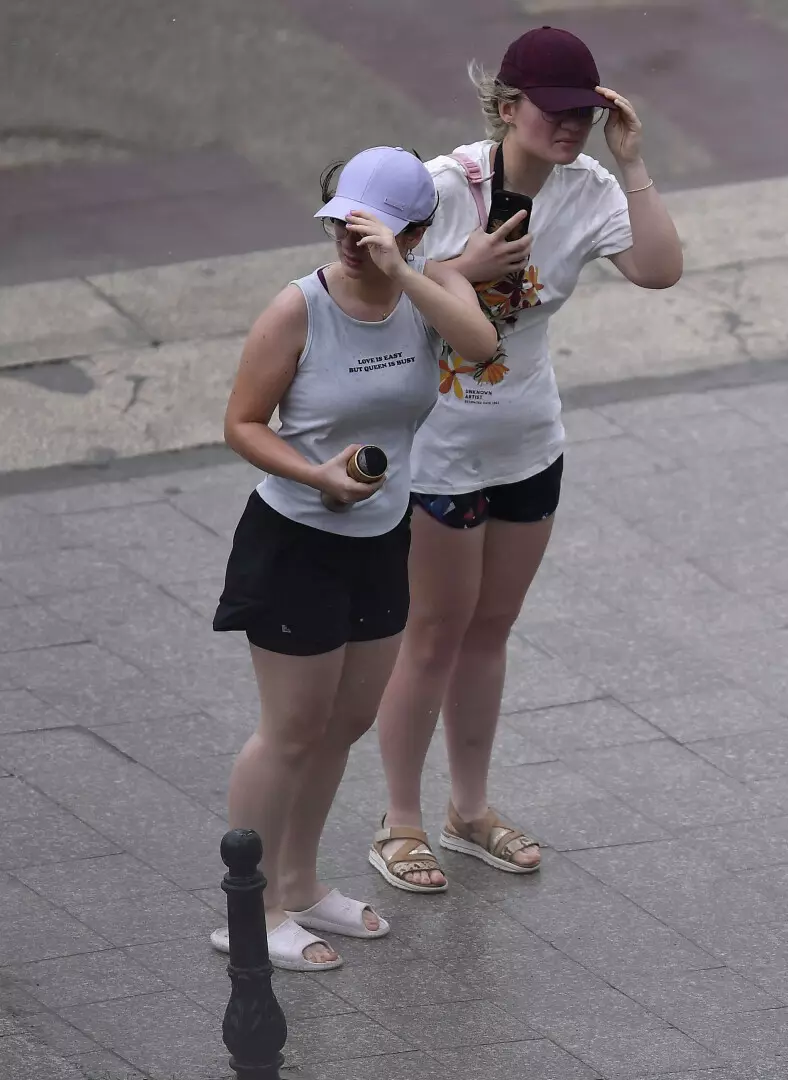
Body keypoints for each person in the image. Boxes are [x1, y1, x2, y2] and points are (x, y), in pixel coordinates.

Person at [368, 25, 683, 893]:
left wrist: (634, 161)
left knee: (490, 631)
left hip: (528, 444)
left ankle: (469, 811)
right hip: (437, 450)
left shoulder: (588, 190)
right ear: (507, 107)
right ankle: (399, 821)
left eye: (585, 112)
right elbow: (370, 293)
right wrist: (460, 268)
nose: (571, 127)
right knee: (431, 633)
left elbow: (661, 269)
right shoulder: (440, 188)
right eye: (554, 111)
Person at [211, 147, 495, 970]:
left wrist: (401, 273)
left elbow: (477, 347)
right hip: (294, 541)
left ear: (410, 230)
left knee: (345, 722)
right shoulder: (295, 309)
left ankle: (299, 886)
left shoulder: (432, 288)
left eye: (367, 226)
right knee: (291, 730)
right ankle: (247, 911)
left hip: (380, 539)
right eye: (339, 222)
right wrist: (317, 476)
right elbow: (243, 423)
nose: (348, 239)